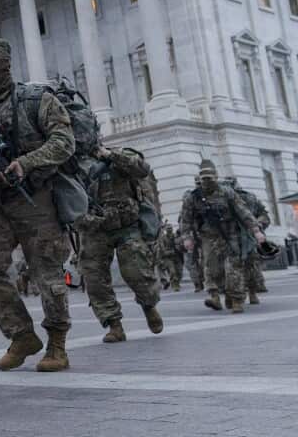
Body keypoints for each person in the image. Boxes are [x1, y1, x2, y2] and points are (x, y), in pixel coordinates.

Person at [0, 39, 76, 372]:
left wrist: (26, 162)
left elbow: (64, 142)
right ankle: (21, 335)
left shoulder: (35, 100)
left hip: (36, 197)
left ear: (6, 62)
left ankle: (57, 343)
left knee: (47, 273)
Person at [75, 145, 163, 343]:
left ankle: (149, 306)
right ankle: (114, 325)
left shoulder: (118, 155)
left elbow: (142, 169)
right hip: (95, 228)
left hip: (127, 225)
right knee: (94, 278)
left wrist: (110, 155)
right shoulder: (73, 165)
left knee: (136, 272)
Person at [178, 160, 265, 313]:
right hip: (208, 238)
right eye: (203, 179)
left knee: (234, 268)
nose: (206, 182)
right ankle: (215, 296)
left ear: (216, 178)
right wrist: (187, 238)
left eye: (209, 178)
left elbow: (243, 211)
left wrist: (256, 230)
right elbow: (186, 219)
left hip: (230, 236)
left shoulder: (227, 192)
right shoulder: (193, 197)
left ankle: (237, 300)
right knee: (212, 269)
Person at [221, 176, 270, 304]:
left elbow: (264, 215)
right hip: (230, 237)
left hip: (249, 237)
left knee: (251, 266)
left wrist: (257, 226)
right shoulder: (220, 200)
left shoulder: (249, 197)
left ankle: (252, 293)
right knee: (233, 268)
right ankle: (236, 298)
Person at [156, 220, 183, 291]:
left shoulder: (175, 236)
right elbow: (162, 249)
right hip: (168, 257)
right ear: (165, 230)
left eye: (170, 228)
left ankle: (177, 282)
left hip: (177, 257)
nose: (169, 230)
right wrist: (170, 252)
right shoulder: (163, 238)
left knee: (179, 271)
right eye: (168, 228)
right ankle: (175, 285)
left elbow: (180, 245)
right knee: (172, 271)